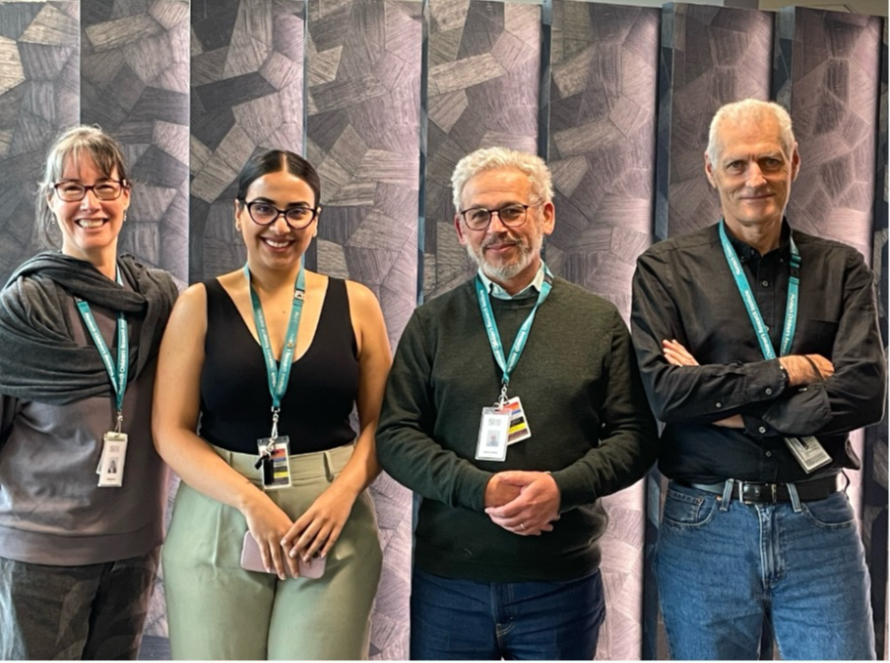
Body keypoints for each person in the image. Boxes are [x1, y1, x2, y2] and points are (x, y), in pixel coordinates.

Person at [376, 146, 658, 660]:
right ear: (461, 230)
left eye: (512, 210)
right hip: (451, 583)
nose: (496, 228)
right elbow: (395, 436)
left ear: (546, 215)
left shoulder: (597, 322)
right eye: (479, 215)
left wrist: (561, 488)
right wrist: (479, 489)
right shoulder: (432, 323)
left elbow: (634, 438)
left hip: (559, 583)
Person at [631, 99, 886, 660]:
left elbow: (866, 391)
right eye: (737, 165)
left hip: (818, 519)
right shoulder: (665, 269)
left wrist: (728, 400)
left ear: (794, 164)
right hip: (706, 523)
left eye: (770, 162)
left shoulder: (842, 269)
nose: (755, 179)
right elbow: (666, 393)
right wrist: (790, 371)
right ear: (710, 171)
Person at [154, 150, 391, 659]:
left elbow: (383, 423)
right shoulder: (198, 304)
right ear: (239, 213)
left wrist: (342, 495)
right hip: (220, 513)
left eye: (296, 211)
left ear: (315, 220)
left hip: (329, 519)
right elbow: (170, 431)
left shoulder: (358, 304)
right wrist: (250, 501)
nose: (279, 226)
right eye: (264, 208)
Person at [0, 126, 178, 659]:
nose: (90, 203)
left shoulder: (159, 300)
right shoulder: (25, 305)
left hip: (132, 544)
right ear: (50, 199)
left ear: (126, 195)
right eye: (72, 188)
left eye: (104, 186)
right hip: (43, 551)